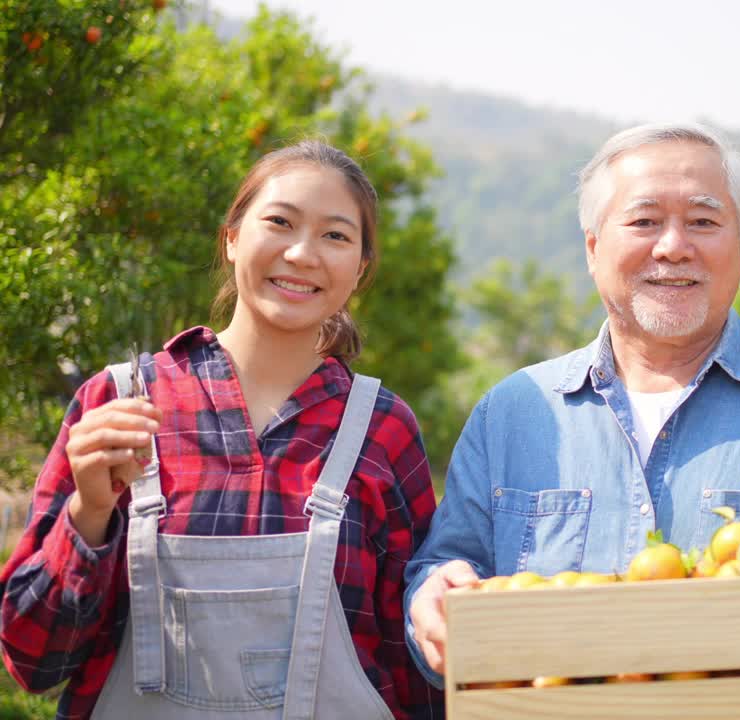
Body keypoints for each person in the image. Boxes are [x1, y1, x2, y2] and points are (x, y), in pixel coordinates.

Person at [404, 122, 740, 713]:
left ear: (739, 248)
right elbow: (446, 569)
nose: (672, 246)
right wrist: (432, 599)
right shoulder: (511, 413)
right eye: (643, 221)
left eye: (704, 221)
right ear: (592, 249)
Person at [0, 141, 442, 719]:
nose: (303, 253)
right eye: (279, 222)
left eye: (336, 236)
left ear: (359, 269)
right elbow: (34, 662)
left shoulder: (382, 429)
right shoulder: (119, 403)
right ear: (232, 238)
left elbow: (419, 670)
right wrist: (88, 513)